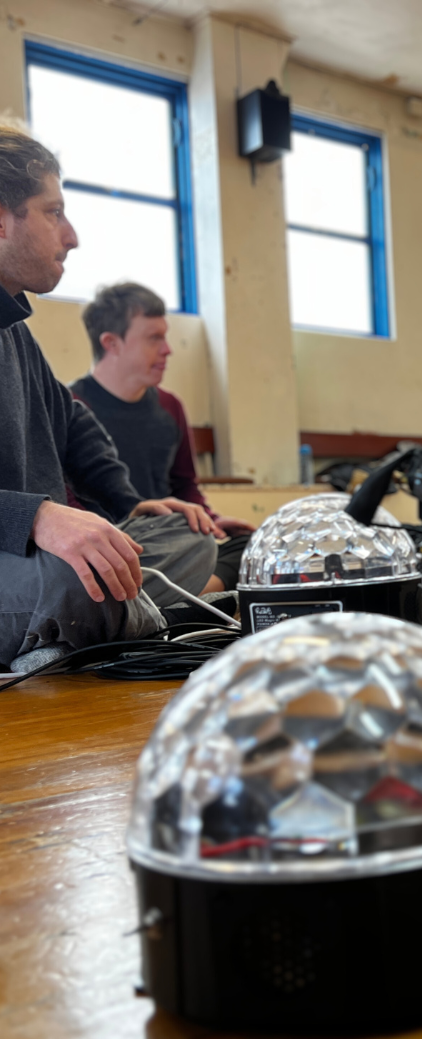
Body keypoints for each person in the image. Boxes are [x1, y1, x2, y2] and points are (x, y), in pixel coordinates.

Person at [0, 121, 217, 672]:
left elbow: (72, 423)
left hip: (32, 557)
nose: (71, 235)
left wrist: (126, 504)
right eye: (54, 213)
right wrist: (37, 518)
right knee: (81, 581)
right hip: (25, 559)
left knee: (186, 538)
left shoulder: (15, 332)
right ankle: (123, 619)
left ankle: (104, 622)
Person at [71, 282, 255, 593]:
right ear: (112, 343)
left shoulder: (170, 407)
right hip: (118, 541)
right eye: (154, 338)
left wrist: (209, 520)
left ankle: (179, 595)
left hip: (173, 534)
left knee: (250, 544)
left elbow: (185, 487)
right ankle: (195, 594)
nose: (168, 349)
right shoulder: (71, 407)